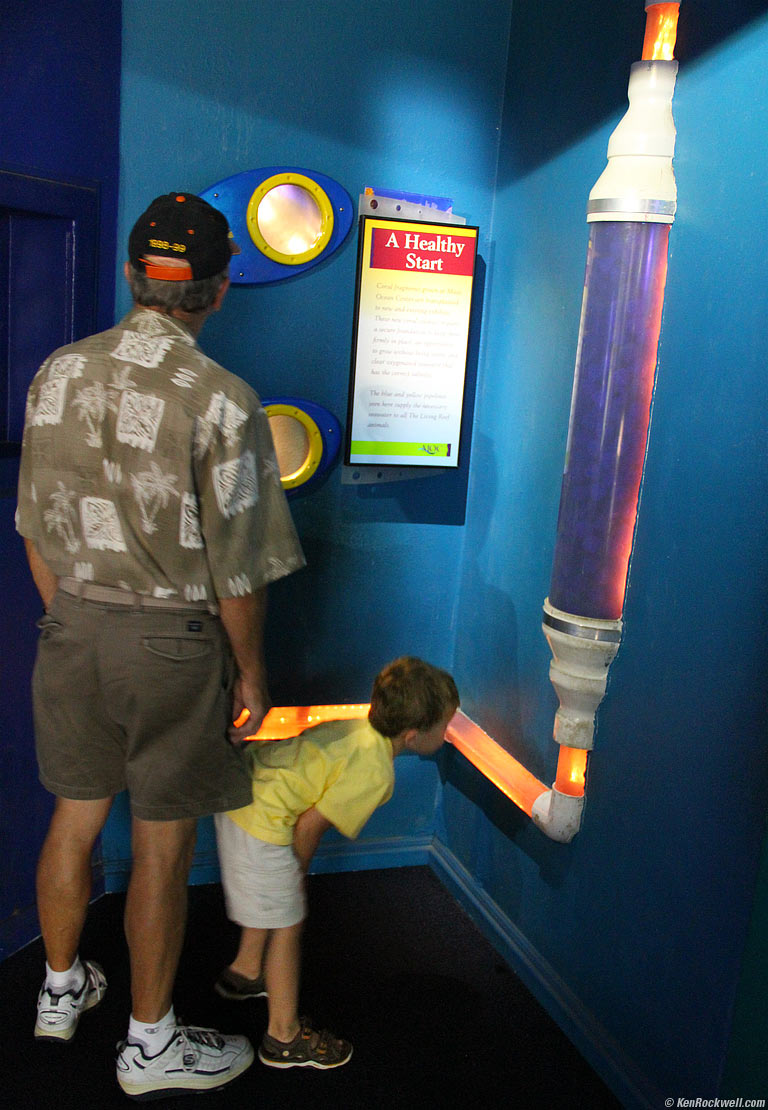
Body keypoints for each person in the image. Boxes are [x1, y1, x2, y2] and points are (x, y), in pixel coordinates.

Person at [15, 192, 305, 1100]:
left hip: (70, 626)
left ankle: (60, 992)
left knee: (74, 818)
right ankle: (150, 1046)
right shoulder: (223, 401)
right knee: (163, 849)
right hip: (173, 645)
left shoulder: (57, 373)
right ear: (218, 291)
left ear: (134, 278)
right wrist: (249, 672)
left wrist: (73, 615)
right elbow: (239, 570)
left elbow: (33, 524)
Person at [213, 656, 459, 1070]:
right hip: (261, 823)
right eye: (445, 727)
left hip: (243, 791)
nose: (447, 734)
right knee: (288, 920)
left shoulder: (359, 729)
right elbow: (309, 828)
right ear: (413, 735)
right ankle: (283, 1037)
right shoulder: (376, 771)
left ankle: (246, 969)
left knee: (271, 901)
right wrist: (297, 877)